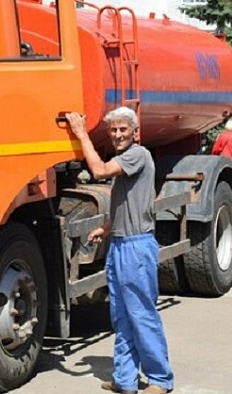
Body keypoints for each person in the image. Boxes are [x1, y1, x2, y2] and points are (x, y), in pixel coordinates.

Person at [66, 107, 173, 394]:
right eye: (113, 130)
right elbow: (128, 201)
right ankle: (125, 380)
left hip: (137, 247)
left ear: (135, 132)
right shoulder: (127, 163)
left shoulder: (137, 155)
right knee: (122, 316)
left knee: (142, 314)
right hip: (121, 244)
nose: (117, 135)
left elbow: (99, 171)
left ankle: (160, 380)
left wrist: (80, 135)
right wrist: (108, 228)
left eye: (123, 129)